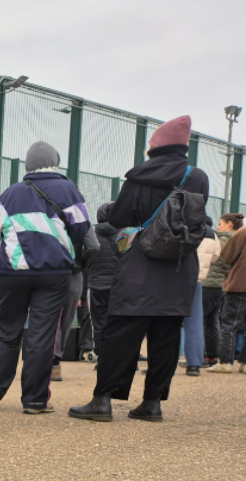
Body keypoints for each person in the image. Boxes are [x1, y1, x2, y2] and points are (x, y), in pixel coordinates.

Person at [70, 116, 207, 422]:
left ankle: (102, 401)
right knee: (166, 336)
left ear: (156, 146)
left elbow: (118, 217)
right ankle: (152, 403)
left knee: (121, 334)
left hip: (140, 267)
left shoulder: (140, 176)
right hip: (178, 267)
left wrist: (118, 211)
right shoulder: (196, 176)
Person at [0, 141, 90, 416]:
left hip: (13, 271)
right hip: (54, 272)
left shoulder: (9, 193)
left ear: (27, 165)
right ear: (55, 161)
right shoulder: (68, 189)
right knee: (42, 334)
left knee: (7, 331)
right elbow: (82, 228)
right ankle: (35, 400)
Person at [50, 225, 98, 381]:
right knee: (67, 318)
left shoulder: (46, 211)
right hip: (74, 270)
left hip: (49, 268)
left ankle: (46, 359)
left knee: (48, 315)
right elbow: (93, 247)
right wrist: (82, 263)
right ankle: (55, 361)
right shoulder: (80, 217)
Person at [179, 218, 221, 375]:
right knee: (195, 322)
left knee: (166, 322)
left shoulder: (178, 225)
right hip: (197, 280)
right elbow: (217, 255)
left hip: (173, 279)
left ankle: (160, 364)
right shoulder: (211, 233)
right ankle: (194, 365)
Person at [203, 213, 243, 366]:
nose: (218, 227)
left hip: (211, 283)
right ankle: (213, 355)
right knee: (213, 321)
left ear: (229, 224)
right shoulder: (239, 238)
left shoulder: (224, 238)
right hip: (222, 285)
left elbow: (221, 259)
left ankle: (207, 357)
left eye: (220, 223)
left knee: (205, 321)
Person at [210, 224, 246, 373]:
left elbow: (226, 255)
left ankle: (225, 362)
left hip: (240, 283)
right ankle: (244, 363)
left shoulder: (243, 233)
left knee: (229, 323)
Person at [87, 202, 120, 359]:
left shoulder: (92, 235)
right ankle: (117, 354)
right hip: (118, 286)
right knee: (118, 321)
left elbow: (87, 257)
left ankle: (101, 354)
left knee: (99, 321)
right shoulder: (122, 235)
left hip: (96, 284)